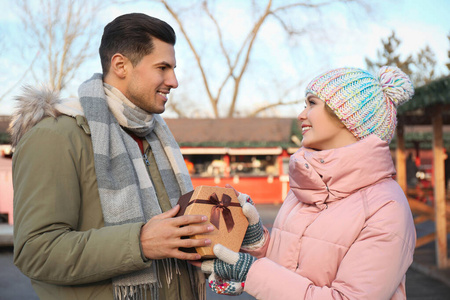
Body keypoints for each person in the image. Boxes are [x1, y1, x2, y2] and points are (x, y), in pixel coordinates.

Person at [10, 13, 212, 300]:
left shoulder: (156, 137)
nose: (174, 81)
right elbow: (35, 251)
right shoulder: (55, 136)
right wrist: (139, 243)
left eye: (173, 69)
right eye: (163, 68)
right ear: (120, 65)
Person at [198, 66, 417, 299]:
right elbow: (295, 265)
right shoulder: (306, 185)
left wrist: (251, 272)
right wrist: (260, 244)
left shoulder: (387, 208)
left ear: (346, 116)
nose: (301, 115)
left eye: (312, 103)